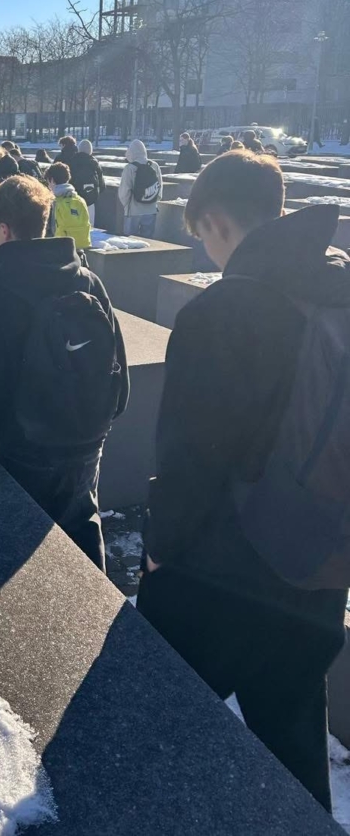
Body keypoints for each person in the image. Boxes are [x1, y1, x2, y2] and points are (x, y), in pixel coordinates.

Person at [137, 152, 350, 811]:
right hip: (315, 566)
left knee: (144, 745)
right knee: (291, 749)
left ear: (216, 220)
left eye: (200, 233)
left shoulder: (223, 311)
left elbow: (189, 459)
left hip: (219, 576)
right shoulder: (335, 290)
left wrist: (158, 550)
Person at [0, 175, 129, 570]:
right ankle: (92, 616)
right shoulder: (88, 279)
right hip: (87, 440)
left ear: (3, 229)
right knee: (83, 531)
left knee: (26, 552)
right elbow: (118, 367)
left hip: (26, 446)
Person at [56, 137, 105, 225]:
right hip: (91, 200)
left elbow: (68, 181)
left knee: (76, 225)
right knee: (90, 226)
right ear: (90, 151)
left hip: (76, 199)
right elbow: (102, 185)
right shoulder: (95, 163)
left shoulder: (72, 161)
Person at [118, 139, 162, 238]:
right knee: (148, 242)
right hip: (151, 210)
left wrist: (127, 206)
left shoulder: (129, 168)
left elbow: (124, 191)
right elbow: (159, 188)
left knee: (130, 242)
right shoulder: (154, 166)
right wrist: (153, 201)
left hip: (133, 211)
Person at [45, 163, 91, 250]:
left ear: (52, 180)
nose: (48, 186)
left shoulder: (52, 201)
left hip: (59, 247)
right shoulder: (80, 200)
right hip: (80, 245)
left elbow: (49, 229)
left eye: (48, 182)